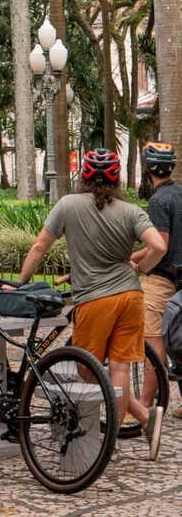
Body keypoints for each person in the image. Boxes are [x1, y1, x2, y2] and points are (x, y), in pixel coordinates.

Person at [17, 148, 167, 460]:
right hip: (130, 296)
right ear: (116, 180)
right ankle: (140, 418)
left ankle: (110, 435)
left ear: (84, 175)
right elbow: (158, 245)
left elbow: (39, 247)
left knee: (88, 371)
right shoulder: (130, 211)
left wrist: (20, 283)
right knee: (119, 370)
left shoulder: (67, 205)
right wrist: (142, 268)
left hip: (94, 300)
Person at [130, 142, 182, 419]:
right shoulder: (180, 194)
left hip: (162, 279)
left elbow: (160, 245)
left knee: (153, 343)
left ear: (148, 169)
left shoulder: (158, 201)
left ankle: (145, 404)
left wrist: (140, 266)